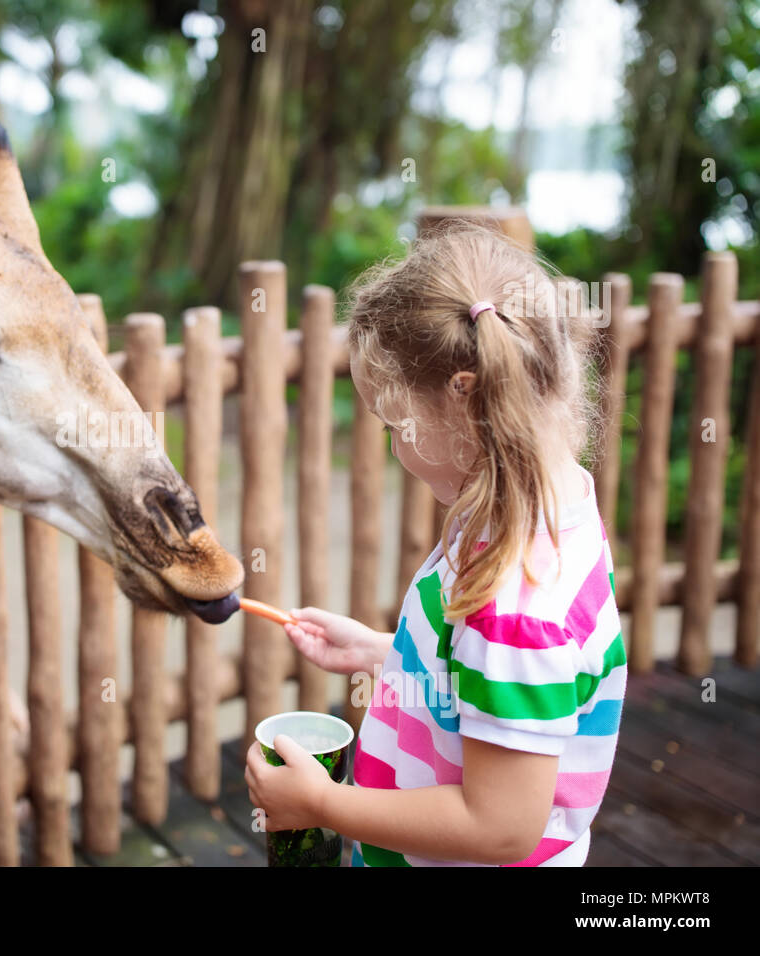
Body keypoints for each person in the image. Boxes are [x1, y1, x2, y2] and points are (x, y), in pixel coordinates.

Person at [245, 223, 627, 866]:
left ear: (462, 410)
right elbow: (486, 682)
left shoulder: (513, 607)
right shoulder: (558, 505)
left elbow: (501, 826)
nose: (394, 448)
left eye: (395, 425)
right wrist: (384, 655)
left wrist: (320, 804)